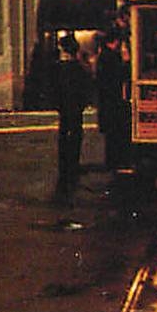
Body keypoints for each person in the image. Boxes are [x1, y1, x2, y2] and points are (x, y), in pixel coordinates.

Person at [51, 33, 92, 202]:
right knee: (75, 134)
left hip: (64, 107)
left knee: (63, 134)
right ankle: (73, 164)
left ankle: (64, 165)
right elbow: (87, 87)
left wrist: (57, 104)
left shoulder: (58, 68)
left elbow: (53, 88)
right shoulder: (79, 68)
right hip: (75, 107)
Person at [94, 29, 132, 174]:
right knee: (115, 132)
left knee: (112, 134)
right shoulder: (110, 57)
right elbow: (119, 74)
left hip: (107, 101)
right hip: (112, 100)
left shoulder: (104, 56)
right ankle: (115, 161)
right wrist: (127, 62)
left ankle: (112, 161)